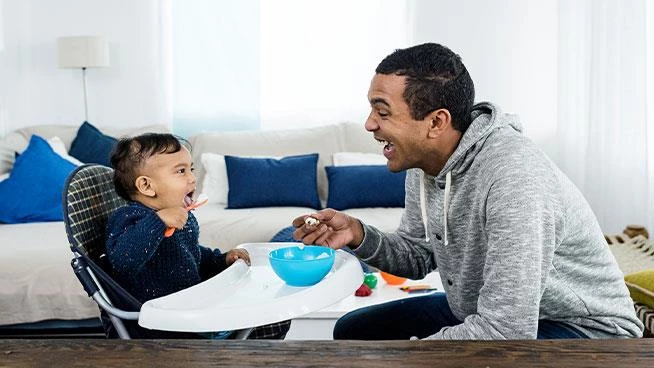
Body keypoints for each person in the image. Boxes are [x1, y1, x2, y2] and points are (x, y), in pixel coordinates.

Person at [292, 43, 643, 340]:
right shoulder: (427, 162)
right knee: (354, 332)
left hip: (583, 329)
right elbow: (418, 255)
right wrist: (357, 234)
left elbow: (507, 333)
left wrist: (405, 357)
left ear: (436, 123)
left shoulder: (513, 175)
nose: (369, 123)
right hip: (490, 311)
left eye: (382, 111)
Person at [107, 133, 289, 339]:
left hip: (194, 312)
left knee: (275, 315)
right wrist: (158, 221)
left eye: (191, 169)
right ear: (147, 186)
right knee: (262, 322)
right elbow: (124, 260)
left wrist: (221, 260)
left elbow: (189, 256)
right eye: (180, 171)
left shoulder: (181, 215)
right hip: (164, 326)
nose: (193, 178)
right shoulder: (129, 218)